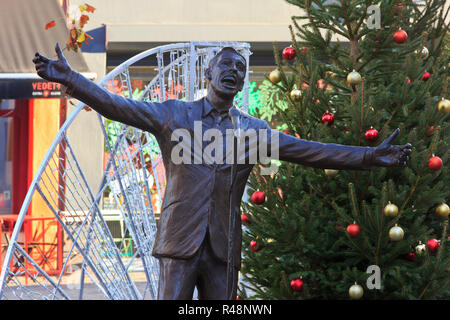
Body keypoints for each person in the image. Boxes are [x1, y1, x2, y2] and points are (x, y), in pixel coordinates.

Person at [33, 44, 412, 300]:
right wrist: (72, 80)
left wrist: (369, 157)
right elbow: (117, 106)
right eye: (226, 65)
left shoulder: (254, 132)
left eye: (240, 69)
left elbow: (311, 151)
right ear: (208, 71)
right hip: (179, 244)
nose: (233, 72)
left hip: (223, 249)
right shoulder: (173, 115)